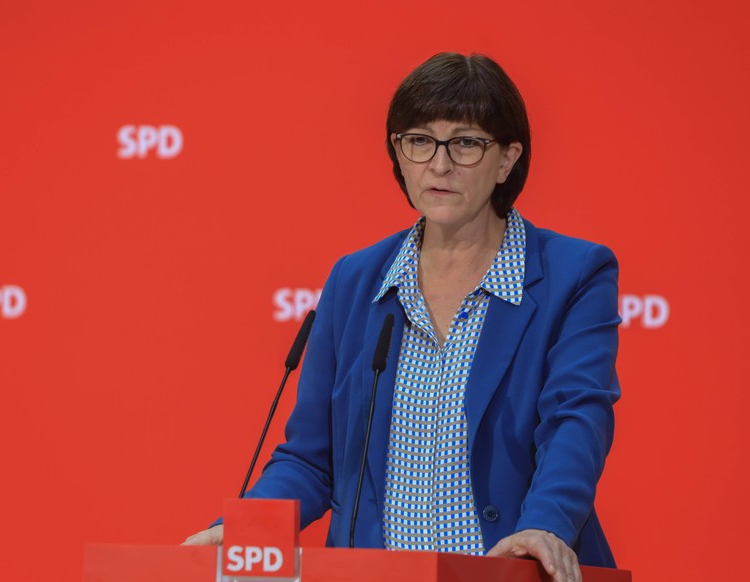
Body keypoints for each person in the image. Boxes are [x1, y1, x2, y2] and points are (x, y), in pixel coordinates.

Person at [184, 52, 621, 582]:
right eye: (419, 140)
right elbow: (310, 458)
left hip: (514, 573)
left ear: (506, 159)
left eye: (465, 142)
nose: (439, 165)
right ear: (398, 152)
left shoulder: (572, 273)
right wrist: (246, 529)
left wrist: (546, 526)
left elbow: (576, 418)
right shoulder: (356, 279)